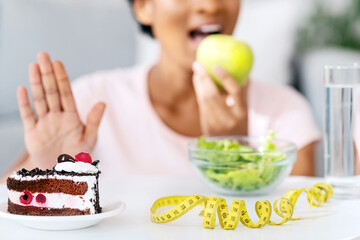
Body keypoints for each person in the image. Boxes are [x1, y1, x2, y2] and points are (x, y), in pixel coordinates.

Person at [1, 0, 320, 182]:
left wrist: (233, 154)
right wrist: (44, 168)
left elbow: (307, 224)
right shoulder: (90, 102)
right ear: (143, 7)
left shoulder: (285, 111)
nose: (209, 5)